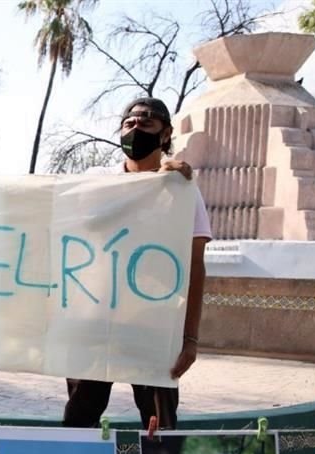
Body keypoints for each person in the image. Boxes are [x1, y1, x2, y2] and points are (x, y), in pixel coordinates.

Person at [62, 97, 212, 430]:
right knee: (79, 420)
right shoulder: (97, 181)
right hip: (95, 325)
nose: (135, 130)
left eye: (146, 124)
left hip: (154, 328)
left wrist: (190, 340)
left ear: (166, 133)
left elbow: (195, 267)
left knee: (159, 423)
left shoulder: (183, 191)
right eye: (129, 124)